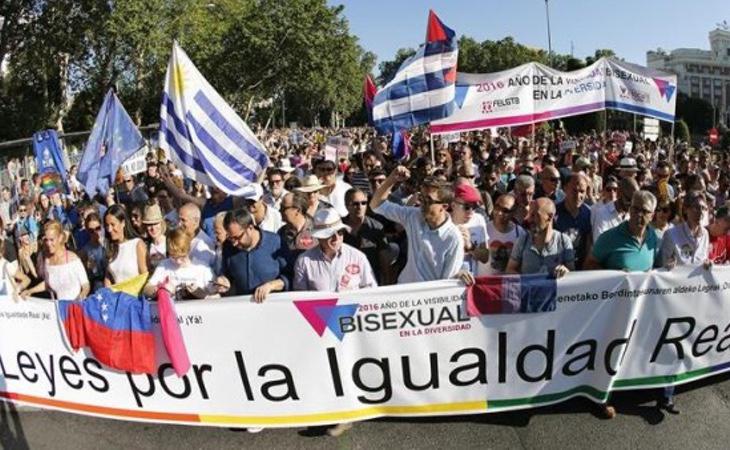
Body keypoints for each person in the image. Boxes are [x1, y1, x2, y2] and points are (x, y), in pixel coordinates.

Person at [584, 190, 660, 419]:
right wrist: (615, 275)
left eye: (644, 211)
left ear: (652, 215)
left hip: (639, 307)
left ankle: (625, 389)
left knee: (630, 351)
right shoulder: (609, 237)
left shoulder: (653, 237)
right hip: (612, 310)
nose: (638, 215)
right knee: (610, 353)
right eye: (635, 209)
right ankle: (600, 398)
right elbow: (587, 266)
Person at [657, 191, 712, 414]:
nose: (700, 212)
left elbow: (702, 260)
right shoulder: (672, 235)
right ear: (686, 210)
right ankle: (666, 394)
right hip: (674, 299)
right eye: (696, 207)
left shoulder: (706, 234)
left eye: (703, 208)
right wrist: (669, 268)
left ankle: (680, 381)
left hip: (696, 297)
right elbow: (663, 267)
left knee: (690, 341)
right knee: (673, 344)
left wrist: (707, 264)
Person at [370, 166, 464, 283]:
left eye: (428, 200)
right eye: (421, 198)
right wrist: (391, 180)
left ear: (444, 206)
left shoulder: (453, 238)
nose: (422, 203)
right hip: (405, 290)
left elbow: (447, 283)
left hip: (429, 297)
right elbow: (376, 205)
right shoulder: (413, 215)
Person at [294, 207, 377, 292]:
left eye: (340, 232)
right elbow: (300, 297)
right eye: (330, 234)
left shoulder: (358, 257)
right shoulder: (304, 261)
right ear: (319, 237)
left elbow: (370, 290)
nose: (336, 238)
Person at [217, 208, 289, 302]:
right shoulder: (228, 246)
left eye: (237, 237)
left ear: (250, 228)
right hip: (243, 306)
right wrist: (223, 280)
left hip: (273, 304)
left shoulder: (275, 242)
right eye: (230, 238)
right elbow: (227, 272)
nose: (234, 243)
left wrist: (271, 285)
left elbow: (289, 275)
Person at [19, 221, 89, 300]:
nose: (48, 244)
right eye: (46, 240)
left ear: (60, 238)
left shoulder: (72, 259)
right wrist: (30, 291)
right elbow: (48, 284)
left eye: (52, 240)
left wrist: (79, 298)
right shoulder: (47, 260)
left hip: (74, 307)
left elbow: (86, 285)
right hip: (56, 307)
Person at [505, 198, 574, 277]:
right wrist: (525, 282)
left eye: (534, 215)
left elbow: (572, 273)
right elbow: (509, 269)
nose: (529, 219)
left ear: (550, 217)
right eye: (529, 215)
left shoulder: (563, 241)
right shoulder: (523, 240)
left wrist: (565, 271)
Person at [143, 228, 217, 300]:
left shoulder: (202, 268)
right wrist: (160, 290)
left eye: (182, 257)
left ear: (188, 250)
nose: (178, 261)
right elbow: (146, 290)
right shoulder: (164, 265)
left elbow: (217, 297)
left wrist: (202, 294)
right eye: (173, 257)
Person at [342, 188, 392, 285]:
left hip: (370, 280)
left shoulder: (376, 227)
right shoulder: (340, 227)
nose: (360, 207)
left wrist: (386, 284)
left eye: (363, 203)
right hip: (345, 281)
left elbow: (384, 260)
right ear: (347, 205)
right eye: (355, 203)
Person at [554, 173, 592, 269]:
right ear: (565, 189)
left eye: (582, 191)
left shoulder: (588, 213)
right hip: (557, 267)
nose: (578, 195)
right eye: (574, 190)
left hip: (580, 267)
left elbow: (589, 243)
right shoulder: (554, 212)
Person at [450, 183, 489, 275]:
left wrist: (470, 246)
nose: (471, 212)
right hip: (450, 282)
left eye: (474, 207)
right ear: (453, 205)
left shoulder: (478, 220)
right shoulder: (445, 223)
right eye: (467, 207)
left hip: (471, 280)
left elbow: (485, 257)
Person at [481, 194, 526, 275]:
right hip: (485, 283)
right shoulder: (483, 229)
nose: (499, 213)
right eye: (497, 207)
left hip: (507, 284)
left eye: (505, 211)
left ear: (514, 212)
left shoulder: (520, 233)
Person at [104, 204, 148, 285]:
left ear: (123, 223)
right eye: (107, 226)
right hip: (117, 295)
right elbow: (108, 281)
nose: (109, 229)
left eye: (113, 225)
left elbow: (145, 277)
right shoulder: (111, 249)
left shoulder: (137, 244)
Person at [591, 177, 638, 242]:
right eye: (628, 199)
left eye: (634, 201)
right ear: (619, 193)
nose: (631, 204)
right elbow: (599, 243)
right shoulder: (602, 213)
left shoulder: (633, 215)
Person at [178, 202, 216, 267]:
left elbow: (199, 272)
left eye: (183, 220)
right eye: (179, 219)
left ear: (195, 221)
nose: (179, 224)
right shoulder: (182, 237)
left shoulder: (203, 245)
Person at [78, 213, 107, 292]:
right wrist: (86, 266)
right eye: (91, 230)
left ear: (102, 227)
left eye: (97, 228)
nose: (95, 232)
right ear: (87, 231)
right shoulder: (86, 249)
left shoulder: (109, 242)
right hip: (98, 282)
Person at [143, 204, 167, 269]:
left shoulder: (170, 243)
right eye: (150, 225)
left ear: (161, 224)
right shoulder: (144, 246)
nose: (153, 228)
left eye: (156, 223)